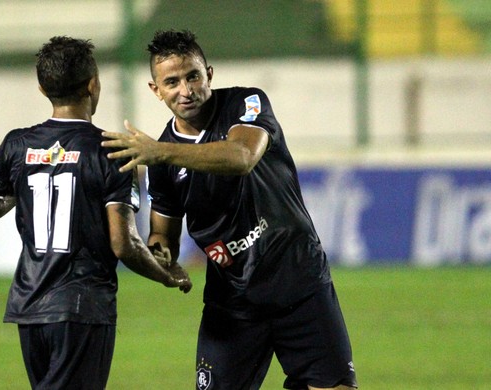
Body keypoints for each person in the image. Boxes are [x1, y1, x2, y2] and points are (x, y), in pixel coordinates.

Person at [102, 30, 357, 390]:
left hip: (299, 281)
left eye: (192, 76)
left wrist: (162, 152)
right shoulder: (160, 160)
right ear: (155, 90)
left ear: (209, 73)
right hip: (233, 301)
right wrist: (159, 256)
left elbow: (241, 157)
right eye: (171, 82)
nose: (186, 90)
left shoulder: (246, 103)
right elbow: (164, 233)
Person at [0, 36, 192, 390]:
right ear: (93, 84)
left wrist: (29, 176)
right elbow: (124, 243)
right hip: (81, 307)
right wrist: (166, 275)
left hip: (29, 307)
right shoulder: (112, 150)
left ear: (43, 89)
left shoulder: (17, 145)